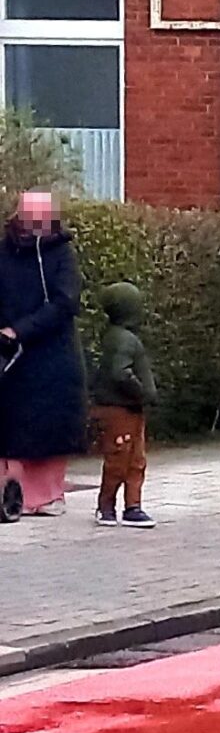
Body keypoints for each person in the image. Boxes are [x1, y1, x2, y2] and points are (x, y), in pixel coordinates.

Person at [0, 191, 86, 518]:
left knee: (50, 426)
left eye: (41, 220)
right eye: (29, 219)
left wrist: (21, 330)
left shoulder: (62, 254)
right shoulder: (3, 253)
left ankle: (48, 496)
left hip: (52, 353)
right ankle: (12, 494)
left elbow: (65, 303)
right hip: (9, 355)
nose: (35, 227)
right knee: (10, 426)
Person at [89, 280, 157, 528]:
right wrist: (141, 392)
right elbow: (120, 373)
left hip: (130, 409)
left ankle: (133, 506)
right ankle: (106, 507)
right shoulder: (123, 339)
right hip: (121, 409)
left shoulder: (116, 336)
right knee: (119, 459)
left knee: (135, 460)